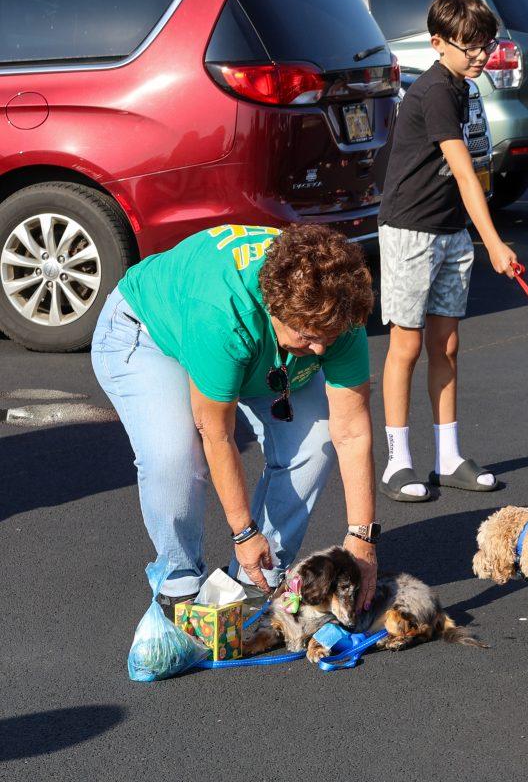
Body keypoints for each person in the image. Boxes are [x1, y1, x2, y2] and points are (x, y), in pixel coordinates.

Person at [91, 224, 379, 615]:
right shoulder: (223, 314)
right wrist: (243, 532)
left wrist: (362, 538)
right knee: (174, 455)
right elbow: (217, 433)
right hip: (150, 334)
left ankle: (258, 576)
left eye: (329, 338)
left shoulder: (337, 310)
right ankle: (179, 583)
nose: (319, 349)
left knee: (318, 440)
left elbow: (352, 431)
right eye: (309, 337)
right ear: (274, 308)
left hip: (254, 349)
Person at [377, 0, 516, 502]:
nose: (480, 56)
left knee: (447, 345)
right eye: (469, 47)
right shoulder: (436, 90)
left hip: (450, 229)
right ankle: (397, 463)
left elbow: (475, 164)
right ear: (438, 43)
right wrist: (495, 243)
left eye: (486, 45)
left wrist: (474, 234)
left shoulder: (464, 88)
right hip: (411, 229)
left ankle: (449, 457)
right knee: (406, 346)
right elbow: (461, 170)